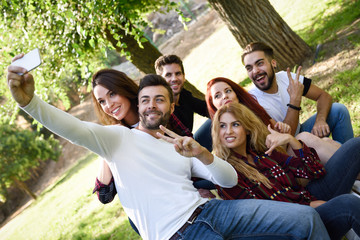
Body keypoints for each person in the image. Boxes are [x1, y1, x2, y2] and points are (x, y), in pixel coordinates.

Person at [7, 58, 330, 239]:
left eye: (159, 99)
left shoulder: (178, 142)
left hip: (215, 212)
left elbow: (229, 180)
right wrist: (31, 104)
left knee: (306, 221)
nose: (151, 105)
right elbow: (71, 128)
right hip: (178, 234)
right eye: (146, 100)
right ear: (139, 102)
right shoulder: (116, 139)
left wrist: (202, 155)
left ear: (170, 105)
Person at [211, 102, 360, 239]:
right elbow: (270, 213)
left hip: (309, 198)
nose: (228, 131)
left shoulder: (263, 153)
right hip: (298, 224)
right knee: (348, 204)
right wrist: (312, 206)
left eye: (235, 124)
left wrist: (291, 140)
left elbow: (315, 171)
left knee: (355, 146)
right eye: (222, 126)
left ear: (247, 129)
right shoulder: (226, 173)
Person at [205, 77, 340, 163]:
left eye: (228, 91)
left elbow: (280, 131)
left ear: (236, 93)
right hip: (272, 168)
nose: (224, 96)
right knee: (305, 138)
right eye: (217, 96)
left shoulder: (253, 109)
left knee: (327, 140)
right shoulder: (223, 132)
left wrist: (281, 129)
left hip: (282, 152)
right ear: (213, 105)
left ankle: (353, 175)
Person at [242, 41, 353, 144]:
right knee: (333, 146)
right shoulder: (252, 101)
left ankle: (351, 156)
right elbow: (284, 139)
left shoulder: (286, 77)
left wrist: (320, 120)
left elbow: (323, 96)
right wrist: (294, 101)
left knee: (338, 110)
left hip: (302, 133)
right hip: (289, 150)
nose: (255, 71)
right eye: (249, 68)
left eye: (260, 63)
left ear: (273, 63)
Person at [154, 54, 212, 151]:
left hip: (190, 144)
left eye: (178, 74)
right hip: (178, 154)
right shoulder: (160, 109)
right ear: (160, 80)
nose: (174, 79)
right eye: (168, 75)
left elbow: (207, 109)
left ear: (184, 76)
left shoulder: (184, 95)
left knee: (220, 119)